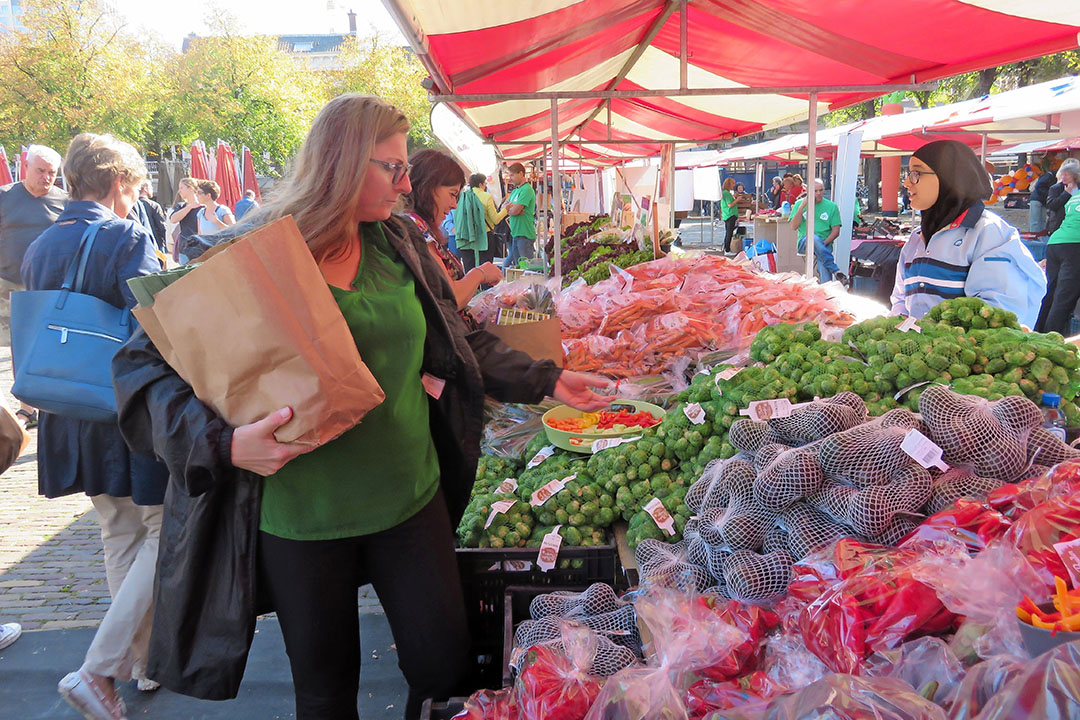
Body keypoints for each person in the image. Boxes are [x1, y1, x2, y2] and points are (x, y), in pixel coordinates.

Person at [110, 94, 611, 720]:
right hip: (303, 516)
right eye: (392, 169)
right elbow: (141, 371)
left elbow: (455, 336)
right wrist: (226, 445)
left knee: (443, 667)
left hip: (410, 497)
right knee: (325, 690)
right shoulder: (252, 254)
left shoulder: (395, 242)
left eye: (406, 170)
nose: (407, 186)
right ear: (341, 165)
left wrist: (546, 380)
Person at [21, 133, 168, 720]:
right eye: (132, 188)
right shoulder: (127, 236)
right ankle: (101, 666)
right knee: (163, 528)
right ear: (116, 185)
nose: (133, 200)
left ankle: (143, 662)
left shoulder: (41, 242)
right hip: (124, 405)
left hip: (67, 407)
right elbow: (154, 317)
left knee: (118, 531)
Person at [890, 140, 1046, 328]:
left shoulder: (989, 234)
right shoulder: (916, 239)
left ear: (948, 176)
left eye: (916, 174)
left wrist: (937, 339)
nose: (907, 183)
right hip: (922, 353)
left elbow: (995, 316)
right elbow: (900, 301)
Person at [0, 143, 66, 428]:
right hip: (8, 285)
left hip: (48, 287)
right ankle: (26, 406)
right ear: (26, 166)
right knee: (19, 346)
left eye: (52, 172)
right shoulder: (4, 197)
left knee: (45, 345)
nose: (46, 177)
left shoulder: (65, 201)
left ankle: (35, 406)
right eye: (40, 171)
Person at [403, 149, 502, 313]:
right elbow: (452, 298)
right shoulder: (416, 227)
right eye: (452, 194)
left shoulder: (415, 226)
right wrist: (480, 273)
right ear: (428, 187)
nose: (454, 204)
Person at [1035, 164, 1080, 334]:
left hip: (1055, 243)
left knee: (1051, 291)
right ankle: (1050, 338)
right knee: (1064, 295)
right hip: (1074, 245)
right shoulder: (1069, 193)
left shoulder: (1074, 198)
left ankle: (1037, 330)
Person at [789, 179, 844, 284]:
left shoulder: (832, 206)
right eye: (815, 191)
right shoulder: (799, 204)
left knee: (821, 257)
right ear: (808, 191)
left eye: (821, 190)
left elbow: (836, 231)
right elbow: (793, 226)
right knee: (813, 238)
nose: (819, 193)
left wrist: (821, 245)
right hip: (804, 242)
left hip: (825, 242)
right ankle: (835, 270)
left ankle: (827, 289)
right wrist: (801, 207)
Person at [456, 173, 506, 272]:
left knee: (470, 270)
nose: (485, 186)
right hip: (484, 237)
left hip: (466, 237)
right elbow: (495, 219)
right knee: (484, 270)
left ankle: (473, 288)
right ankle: (485, 287)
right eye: (485, 183)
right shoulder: (486, 196)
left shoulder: (462, 197)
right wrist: (506, 210)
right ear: (480, 185)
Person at [504, 162, 536, 268]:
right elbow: (503, 207)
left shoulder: (527, 190)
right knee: (518, 268)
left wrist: (512, 209)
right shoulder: (515, 191)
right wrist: (512, 208)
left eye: (512, 175)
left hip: (525, 235)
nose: (510, 178)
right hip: (515, 234)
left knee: (526, 269)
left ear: (521, 173)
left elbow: (514, 211)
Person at [167, 178, 201, 263]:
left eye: (181, 188)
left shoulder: (203, 207)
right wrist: (189, 207)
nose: (179, 191)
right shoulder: (181, 206)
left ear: (190, 188)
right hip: (184, 247)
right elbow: (173, 219)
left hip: (200, 246)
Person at [1046, 160, 1079, 237]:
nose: (1063, 177)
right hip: (1059, 226)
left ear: (1074, 175)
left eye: (1066, 175)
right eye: (1062, 175)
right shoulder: (1055, 188)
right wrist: (1066, 194)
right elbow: (1051, 205)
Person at [137, 180, 167, 252]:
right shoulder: (154, 205)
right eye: (151, 187)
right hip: (155, 242)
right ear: (145, 189)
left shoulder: (132, 205)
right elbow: (161, 227)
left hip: (138, 242)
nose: (152, 189)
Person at [1030, 164, 1054, 235]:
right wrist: (1048, 195)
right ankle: (1035, 238)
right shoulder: (1050, 175)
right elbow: (1039, 186)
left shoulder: (1049, 175)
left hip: (1041, 200)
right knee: (1036, 221)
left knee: (1040, 221)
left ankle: (1039, 237)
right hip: (1038, 199)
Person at [720, 178, 738, 254]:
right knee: (729, 233)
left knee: (728, 232)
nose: (734, 185)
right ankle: (727, 250)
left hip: (728, 215)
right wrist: (738, 199)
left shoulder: (726, 193)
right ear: (729, 184)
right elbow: (730, 204)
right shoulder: (726, 193)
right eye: (733, 183)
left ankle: (725, 248)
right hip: (730, 215)